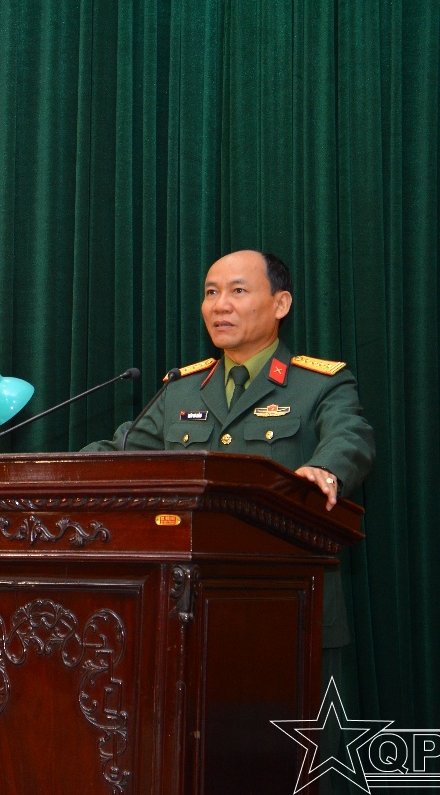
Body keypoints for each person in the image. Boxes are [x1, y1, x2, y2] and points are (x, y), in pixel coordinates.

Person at [82, 249, 375, 649]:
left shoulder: (319, 383)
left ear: (280, 304)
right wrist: (50, 471)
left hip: (290, 611)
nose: (220, 306)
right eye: (211, 292)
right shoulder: (181, 388)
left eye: (237, 291)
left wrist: (325, 468)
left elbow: (351, 436)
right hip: (192, 617)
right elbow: (121, 452)